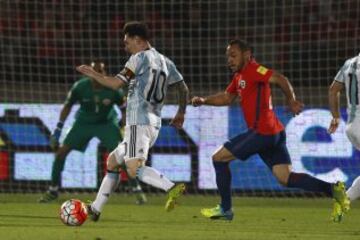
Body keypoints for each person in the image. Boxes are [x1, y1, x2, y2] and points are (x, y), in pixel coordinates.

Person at [191, 39, 350, 221]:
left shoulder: (254, 70)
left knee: (218, 159)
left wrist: (291, 100)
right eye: (228, 56)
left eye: (233, 56)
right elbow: (227, 97)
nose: (229, 60)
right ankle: (333, 189)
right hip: (274, 133)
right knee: (285, 177)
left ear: (247, 54)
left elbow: (280, 78)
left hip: (262, 132)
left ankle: (225, 209)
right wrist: (204, 101)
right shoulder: (239, 77)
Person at [76, 21, 189, 221]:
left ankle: (171, 187)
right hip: (154, 123)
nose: (125, 46)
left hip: (139, 120)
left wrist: (92, 74)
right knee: (112, 161)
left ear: (138, 40)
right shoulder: (165, 61)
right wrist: (181, 112)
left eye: (127, 41)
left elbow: (115, 83)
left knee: (134, 168)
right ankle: (95, 209)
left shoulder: (137, 58)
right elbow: (183, 88)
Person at [39, 60, 147, 205]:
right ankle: (53, 190)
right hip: (84, 123)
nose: (96, 74)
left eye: (99, 71)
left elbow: (124, 109)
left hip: (106, 124)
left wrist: (123, 127)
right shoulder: (80, 87)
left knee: (121, 157)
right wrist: (58, 129)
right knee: (60, 153)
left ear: (104, 73)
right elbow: (68, 105)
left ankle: (136, 189)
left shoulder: (114, 89)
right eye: (93, 71)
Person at [328, 53, 360, 222]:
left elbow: (333, 90)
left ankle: (343, 200)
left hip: (351, 126)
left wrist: (335, 117)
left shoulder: (349, 63)